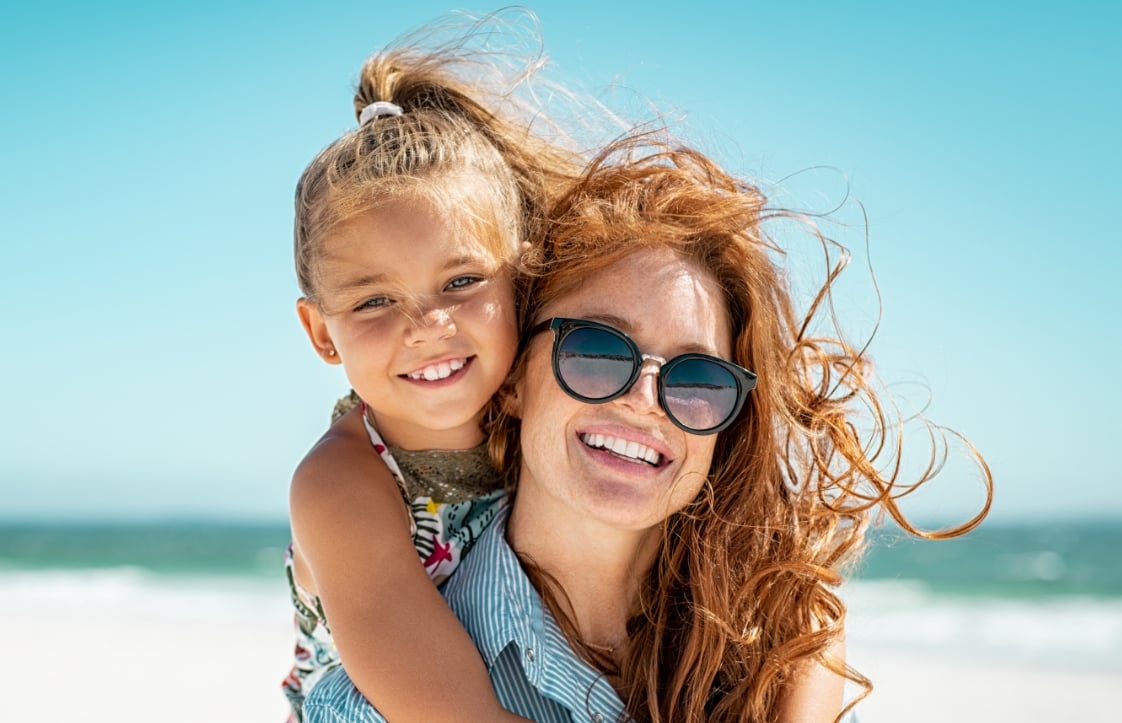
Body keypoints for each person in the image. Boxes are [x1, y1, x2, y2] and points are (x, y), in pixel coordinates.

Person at [302, 134, 993, 723]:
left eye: (696, 378)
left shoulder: (775, 651)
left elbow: (818, 620)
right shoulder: (380, 700)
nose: (644, 399)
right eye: (598, 351)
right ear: (514, 375)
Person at [281, 12, 586, 723]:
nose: (426, 327)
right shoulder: (341, 483)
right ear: (321, 332)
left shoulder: (551, 412)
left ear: (519, 283)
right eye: (375, 300)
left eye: (461, 282)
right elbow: (457, 713)